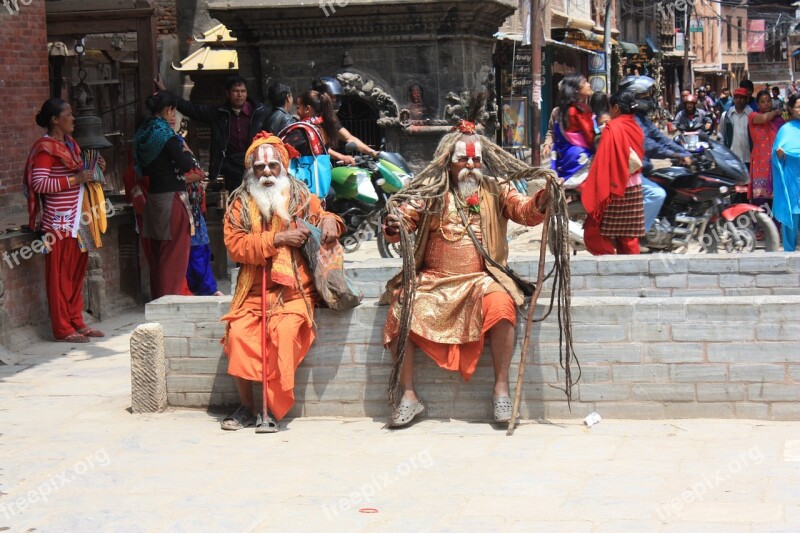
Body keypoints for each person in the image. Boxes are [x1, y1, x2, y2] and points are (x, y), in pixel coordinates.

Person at [380, 120, 550, 427]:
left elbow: (525, 212)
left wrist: (542, 200)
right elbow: (403, 221)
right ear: (448, 161)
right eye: (463, 159)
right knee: (400, 309)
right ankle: (408, 396)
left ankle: (501, 390)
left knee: (502, 305)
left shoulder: (497, 188)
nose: (471, 165)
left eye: (476, 160)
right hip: (434, 280)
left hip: (482, 279)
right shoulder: (432, 190)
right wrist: (394, 225)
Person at [220, 133, 344, 432]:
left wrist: (331, 221)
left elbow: (326, 216)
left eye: (273, 167)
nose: (266, 173)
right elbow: (235, 245)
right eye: (260, 168)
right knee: (238, 336)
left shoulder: (301, 198)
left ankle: (272, 410)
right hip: (252, 291)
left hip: (294, 292)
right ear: (251, 170)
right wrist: (277, 238)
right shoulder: (239, 204)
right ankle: (249, 407)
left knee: (284, 335)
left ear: (284, 168)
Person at [24, 98, 107, 342]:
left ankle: (76, 321)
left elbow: (81, 175)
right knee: (59, 276)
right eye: (68, 114)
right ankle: (62, 328)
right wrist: (75, 180)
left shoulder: (71, 145)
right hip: (59, 223)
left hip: (81, 219)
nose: (73, 118)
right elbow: (39, 184)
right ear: (55, 120)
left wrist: (96, 169)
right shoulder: (45, 148)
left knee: (76, 272)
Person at [133, 91, 203, 299]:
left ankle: (159, 300)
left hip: (153, 199)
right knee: (173, 256)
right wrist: (187, 152)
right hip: (172, 199)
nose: (174, 116)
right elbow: (186, 165)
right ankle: (169, 303)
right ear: (167, 110)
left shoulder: (143, 134)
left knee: (159, 256)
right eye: (174, 111)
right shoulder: (168, 136)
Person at [154, 76, 271, 192]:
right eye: (235, 91)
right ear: (227, 93)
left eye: (243, 91)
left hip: (254, 163)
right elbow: (190, 109)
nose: (240, 95)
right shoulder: (218, 113)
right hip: (230, 167)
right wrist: (166, 93)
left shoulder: (259, 112)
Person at [619, 76, 692, 233]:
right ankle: (638, 233)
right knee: (657, 194)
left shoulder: (642, 117)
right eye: (644, 94)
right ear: (634, 96)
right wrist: (674, 154)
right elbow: (648, 146)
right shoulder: (632, 120)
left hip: (644, 170)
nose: (649, 98)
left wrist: (684, 152)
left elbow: (661, 138)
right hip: (633, 173)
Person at [581, 90, 646, 255]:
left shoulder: (613, 127)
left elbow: (603, 160)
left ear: (616, 108)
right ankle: (632, 273)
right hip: (634, 186)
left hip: (617, 189)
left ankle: (610, 264)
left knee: (593, 232)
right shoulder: (635, 126)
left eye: (610, 107)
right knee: (628, 237)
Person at [311, 77, 380, 160]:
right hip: (312, 164)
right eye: (332, 97)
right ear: (322, 97)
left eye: (336, 97)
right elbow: (319, 146)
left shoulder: (330, 118)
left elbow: (349, 138)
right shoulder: (312, 119)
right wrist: (342, 157)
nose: (335, 100)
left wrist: (372, 152)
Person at [551, 73, 596, 188]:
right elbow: (590, 136)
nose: (588, 85)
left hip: (563, 157)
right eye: (584, 82)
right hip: (579, 158)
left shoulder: (562, 110)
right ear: (576, 90)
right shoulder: (579, 110)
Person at [772, 94, 800, 251]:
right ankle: (789, 252)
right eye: (797, 106)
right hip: (791, 181)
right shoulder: (785, 130)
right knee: (792, 217)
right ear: (790, 108)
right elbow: (775, 157)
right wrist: (780, 156)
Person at [748, 89, 785, 203]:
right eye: (763, 102)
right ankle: (759, 220)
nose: (767, 104)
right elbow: (764, 119)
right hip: (760, 162)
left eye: (768, 101)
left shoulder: (777, 120)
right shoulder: (753, 115)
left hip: (775, 161)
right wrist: (776, 112)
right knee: (761, 200)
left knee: (776, 199)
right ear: (757, 104)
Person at [719, 88, 753, 167]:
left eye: (741, 97)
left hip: (748, 158)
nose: (739, 100)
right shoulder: (726, 115)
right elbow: (721, 135)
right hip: (731, 158)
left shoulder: (752, 115)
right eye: (736, 97)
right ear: (733, 99)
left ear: (746, 99)